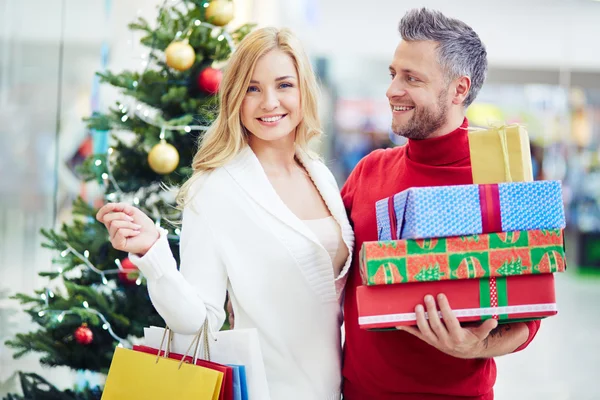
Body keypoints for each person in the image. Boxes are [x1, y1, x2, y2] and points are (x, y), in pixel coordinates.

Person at [96, 27, 353, 400]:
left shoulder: (320, 174)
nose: (269, 102)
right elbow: (198, 321)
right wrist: (155, 254)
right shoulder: (216, 189)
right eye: (252, 88)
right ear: (235, 96)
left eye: (284, 85)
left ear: (304, 91)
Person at [340, 8, 541, 400]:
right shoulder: (369, 172)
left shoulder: (498, 177)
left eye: (411, 78)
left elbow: (530, 317)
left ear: (458, 89)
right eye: (393, 73)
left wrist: (478, 347)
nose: (392, 89)